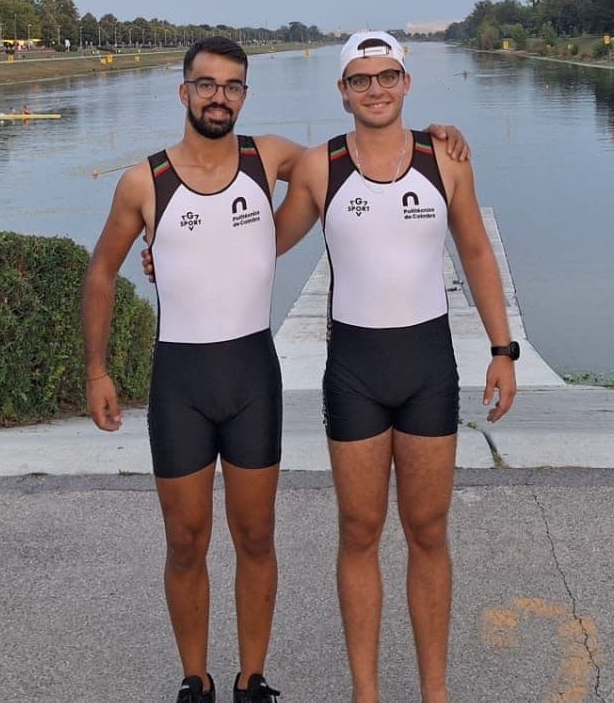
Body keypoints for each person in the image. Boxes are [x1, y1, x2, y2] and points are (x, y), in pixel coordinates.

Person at [81, 36, 469, 703]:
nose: (218, 97)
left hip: (251, 377)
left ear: (245, 96)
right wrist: (96, 369)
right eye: (205, 85)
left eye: (232, 86)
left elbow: (361, 145)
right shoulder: (144, 180)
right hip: (179, 379)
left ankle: (251, 679)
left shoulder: (271, 158)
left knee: (256, 534)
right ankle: (195, 679)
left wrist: (433, 133)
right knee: (185, 540)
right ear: (184, 92)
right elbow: (99, 273)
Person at [272, 31, 517, 702]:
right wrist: (173, 243)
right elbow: (265, 241)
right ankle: (366, 692)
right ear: (342, 91)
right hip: (354, 369)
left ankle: (434, 691)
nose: (375, 89)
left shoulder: (445, 158)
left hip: (427, 367)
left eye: (387, 77)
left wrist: (502, 349)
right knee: (358, 530)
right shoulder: (323, 167)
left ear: (406, 82)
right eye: (361, 79)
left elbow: (475, 252)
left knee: (428, 530)